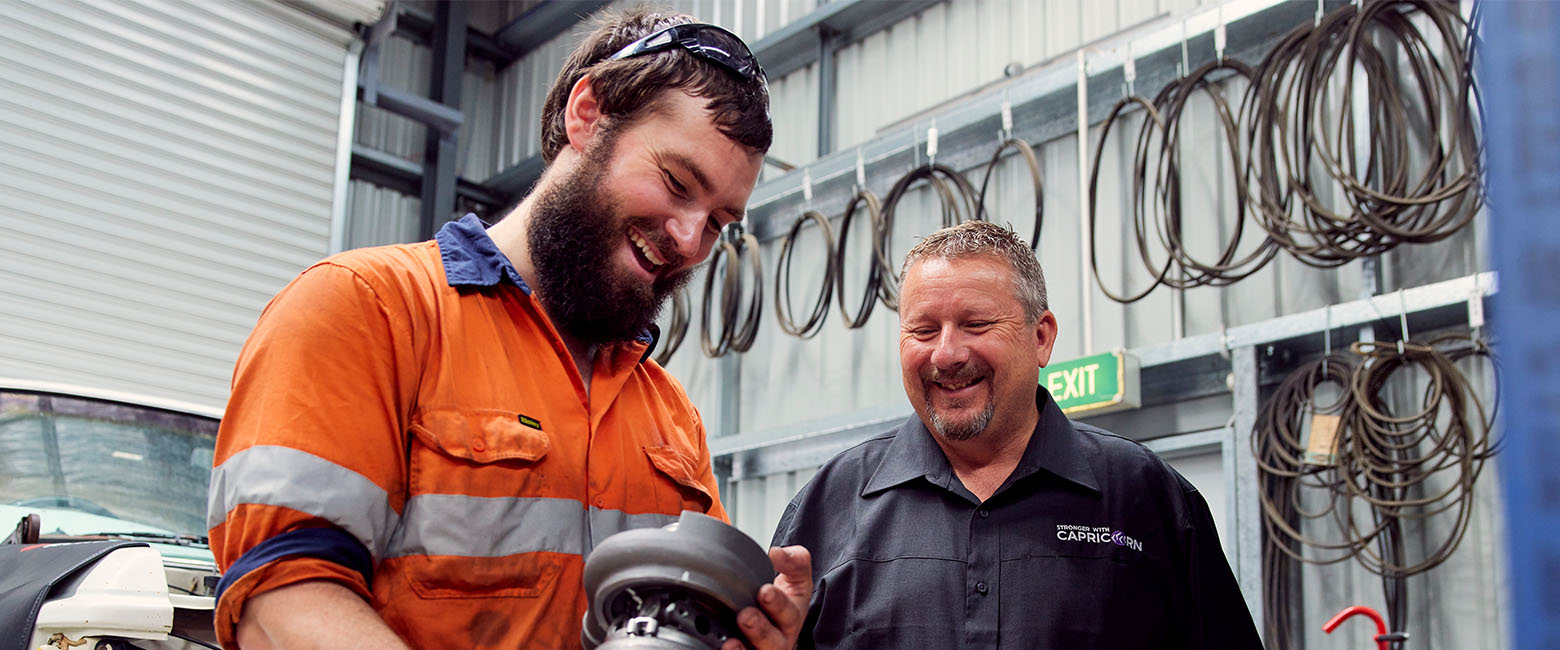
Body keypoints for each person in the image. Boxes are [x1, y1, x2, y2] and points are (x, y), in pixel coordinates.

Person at [207, 8, 810, 650]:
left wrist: (746, 631)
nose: (690, 240)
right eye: (676, 183)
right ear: (588, 115)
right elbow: (281, 602)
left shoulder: (669, 417)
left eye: (718, 221)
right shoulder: (368, 310)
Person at [771, 220, 1262, 649]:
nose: (946, 354)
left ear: (1042, 337)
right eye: (922, 330)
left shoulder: (1146, 498)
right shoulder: (830, 503)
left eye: (977, 323)